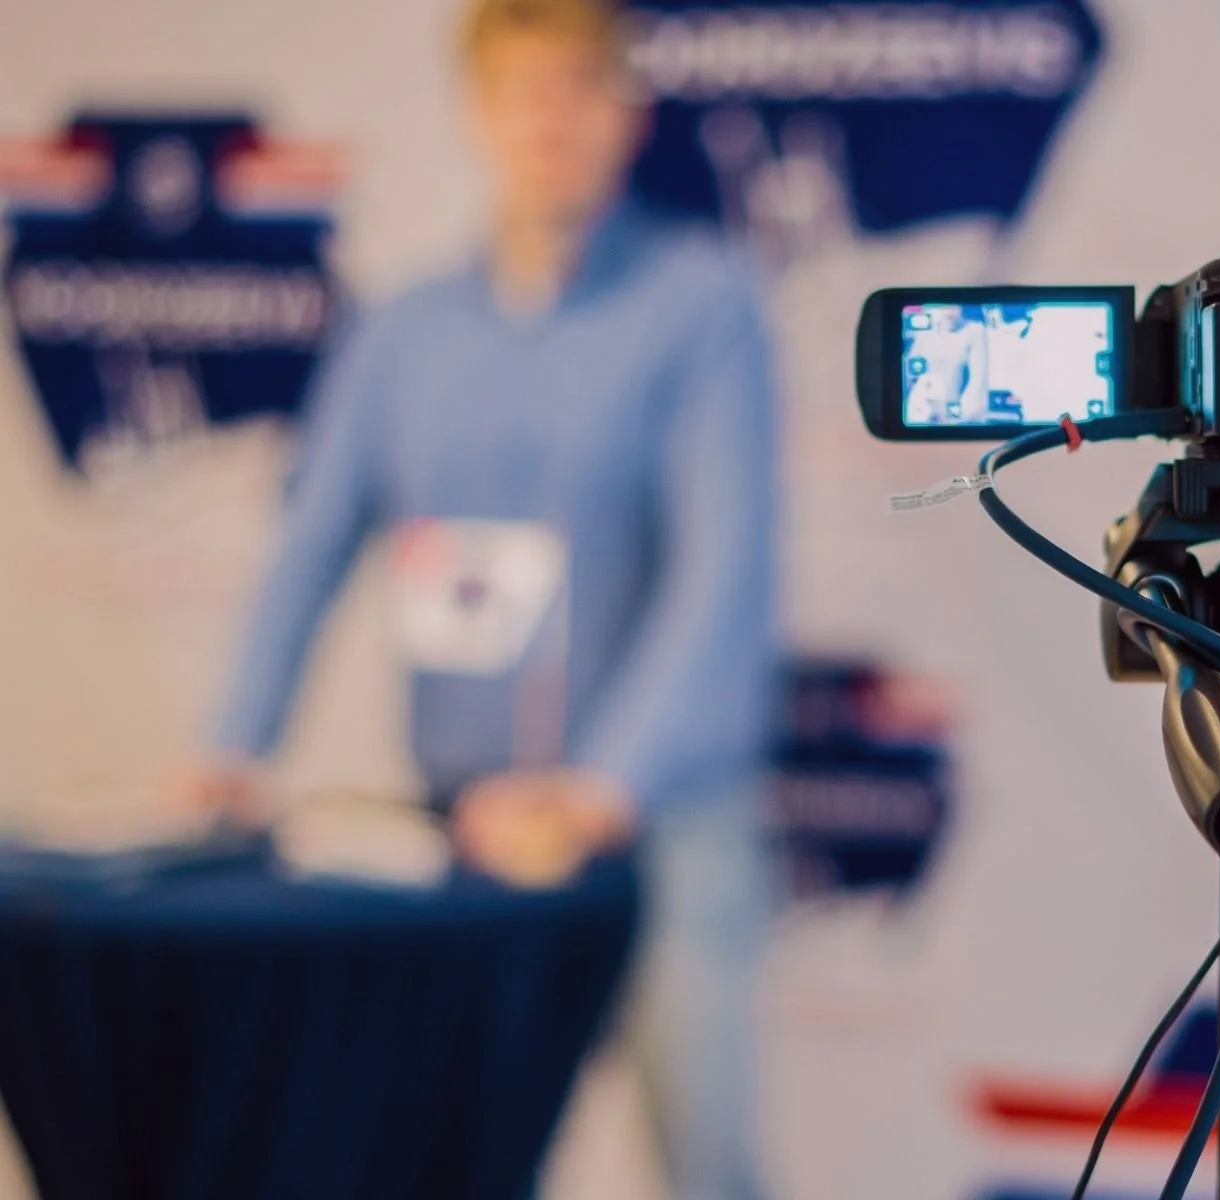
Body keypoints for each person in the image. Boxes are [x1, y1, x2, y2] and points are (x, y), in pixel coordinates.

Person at [180, 0, 777, 1196]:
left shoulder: (701, 305)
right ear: (476, 111)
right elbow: (308, 545)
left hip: (657, 828)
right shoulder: (404, 329)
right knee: (449, 1162)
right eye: (520, 89)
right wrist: (232, 747)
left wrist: (602, 790)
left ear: (626, 110)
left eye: (574, 85)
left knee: (708, 1166)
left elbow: (726, 576)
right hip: (461, 831)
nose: (546, 118)